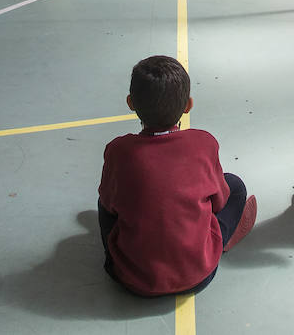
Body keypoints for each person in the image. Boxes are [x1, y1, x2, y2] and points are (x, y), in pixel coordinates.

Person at [97, 56, 257, 296]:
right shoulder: (204, 143)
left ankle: (116, 255)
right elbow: (219, 202)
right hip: (199, 274)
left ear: (131, 103)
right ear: (188, 105)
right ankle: (220, 238)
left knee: (103, 202)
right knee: (234, 185)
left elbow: (110, 204)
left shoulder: (118, 150)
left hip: (131, 281)